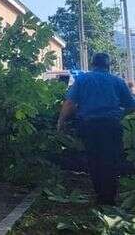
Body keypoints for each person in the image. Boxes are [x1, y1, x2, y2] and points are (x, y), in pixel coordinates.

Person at [58, 52, 135, 205]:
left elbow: (69, 104)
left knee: (94, 159)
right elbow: (131, 106)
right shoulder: (118, 81)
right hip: (112, 126)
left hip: (89, 126)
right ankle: (109, 197)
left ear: (93, 64)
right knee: (111, 160)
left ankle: (100, 194)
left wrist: (61, 121)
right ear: (108, 66)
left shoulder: (82, 80)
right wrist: (120, 115)